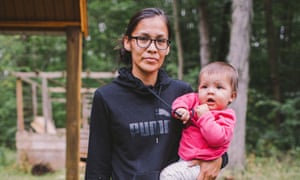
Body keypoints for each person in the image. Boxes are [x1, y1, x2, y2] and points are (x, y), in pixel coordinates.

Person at [85, 8, 227, 180]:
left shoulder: (182, 94)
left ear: (167, 48)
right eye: (143, 39)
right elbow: (97, 168)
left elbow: (215, 134)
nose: (152, 48)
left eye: (160, 41)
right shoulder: (106, 97)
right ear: (127, 42)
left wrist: (220, 159)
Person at [160, 61, 238, 180]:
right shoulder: (195, 100)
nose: (210, 91)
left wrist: (205, 117)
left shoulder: (226, 116)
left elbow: (217, 139)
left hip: (202, 165)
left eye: (219, 87)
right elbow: (181, 101)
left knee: (169, 175)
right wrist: (181, 110)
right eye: (204, 86)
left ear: (232, 96)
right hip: (184, 159)